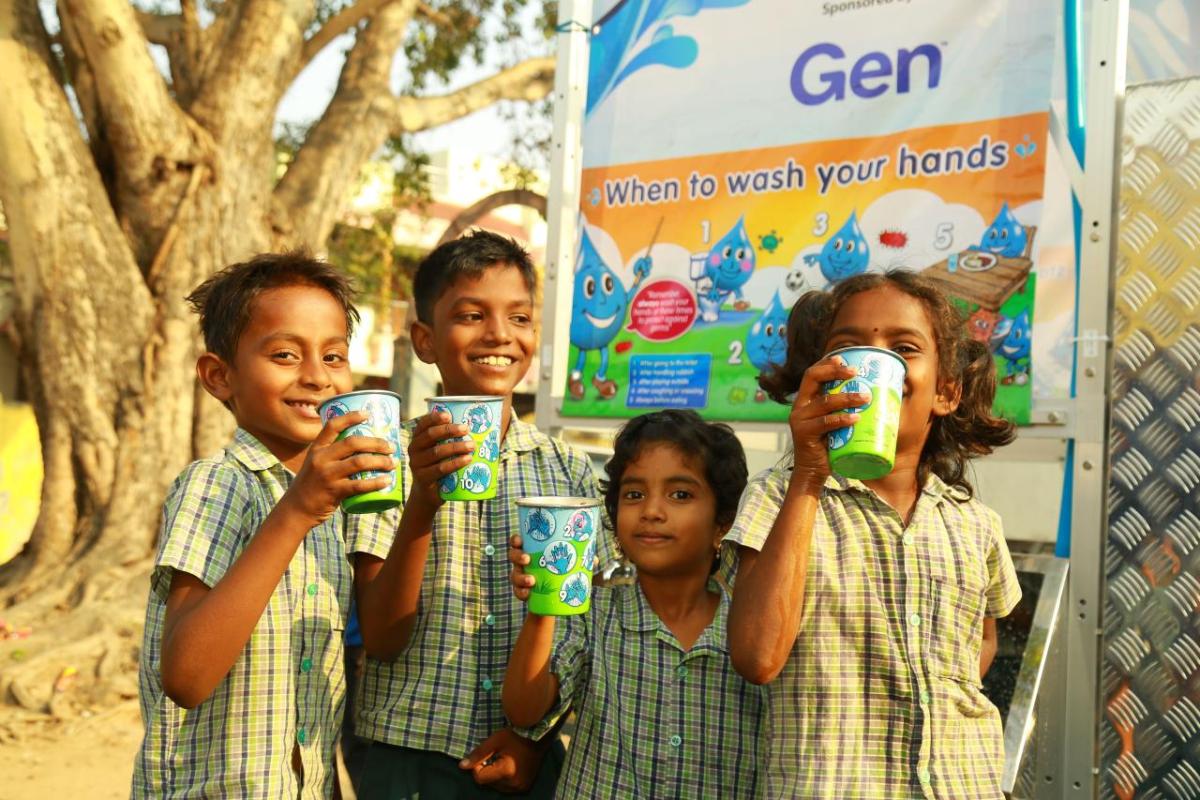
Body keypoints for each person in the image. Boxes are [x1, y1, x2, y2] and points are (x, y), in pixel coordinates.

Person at [725, 270, 1021, 799]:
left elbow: (983, 639)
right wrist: (809, 476)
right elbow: (757, 657)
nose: (874, 362)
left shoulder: (976, 522)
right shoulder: (779, 497)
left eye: (904, 348)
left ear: (946, 392)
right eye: (848, 347)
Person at [349, 230, 616, 798]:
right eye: (472, 315)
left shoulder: (567, 469)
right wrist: (421, 502)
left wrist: (535, 737)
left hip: (532, 759)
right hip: (408, 756)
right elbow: (382, 637)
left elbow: (586, 624)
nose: (499, 334)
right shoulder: (385, 461)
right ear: (425, 339)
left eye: (519, 318)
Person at [131, 253, 397, 799]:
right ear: (219, 376)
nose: (317, 377)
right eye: (284, 354)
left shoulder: (338, 503)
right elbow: (185, 677)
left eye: (334, 356)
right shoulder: (217, 485)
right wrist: (297, 511)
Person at [503, 409, 764, 798]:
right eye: (634, 494)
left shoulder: (753, 635)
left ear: (723, 523)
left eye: (680, 494)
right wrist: (543, 607)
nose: (652, 511)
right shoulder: (593, 613)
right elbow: (525, 710)